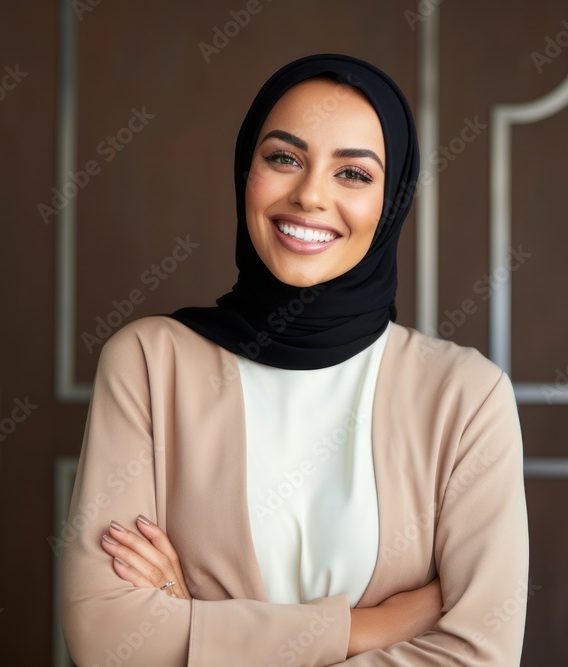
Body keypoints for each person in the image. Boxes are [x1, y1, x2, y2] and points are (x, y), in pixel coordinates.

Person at [60, 53, 529, 665]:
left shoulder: (465, 397)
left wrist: (188, 616)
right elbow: (106, 641)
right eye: (284, 158)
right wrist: (364, 629)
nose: (310, 195)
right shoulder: (151, 364)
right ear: (244, 170)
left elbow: (479, 657)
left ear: (392, 201)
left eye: (354, 174)